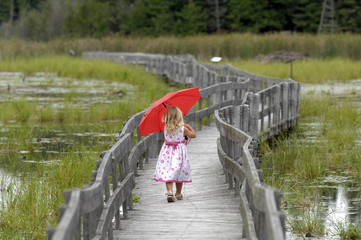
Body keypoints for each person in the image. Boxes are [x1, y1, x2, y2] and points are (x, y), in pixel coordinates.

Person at [153, 105, 196, 202]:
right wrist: (188, 126)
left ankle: (169, 191)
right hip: (179, 154)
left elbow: (165, 138)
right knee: (179, 171)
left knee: (168, 171)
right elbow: (193, 135)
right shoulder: (183, 129)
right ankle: (178, 193)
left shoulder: (165, 129)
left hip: (167, 154)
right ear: (179, 117)